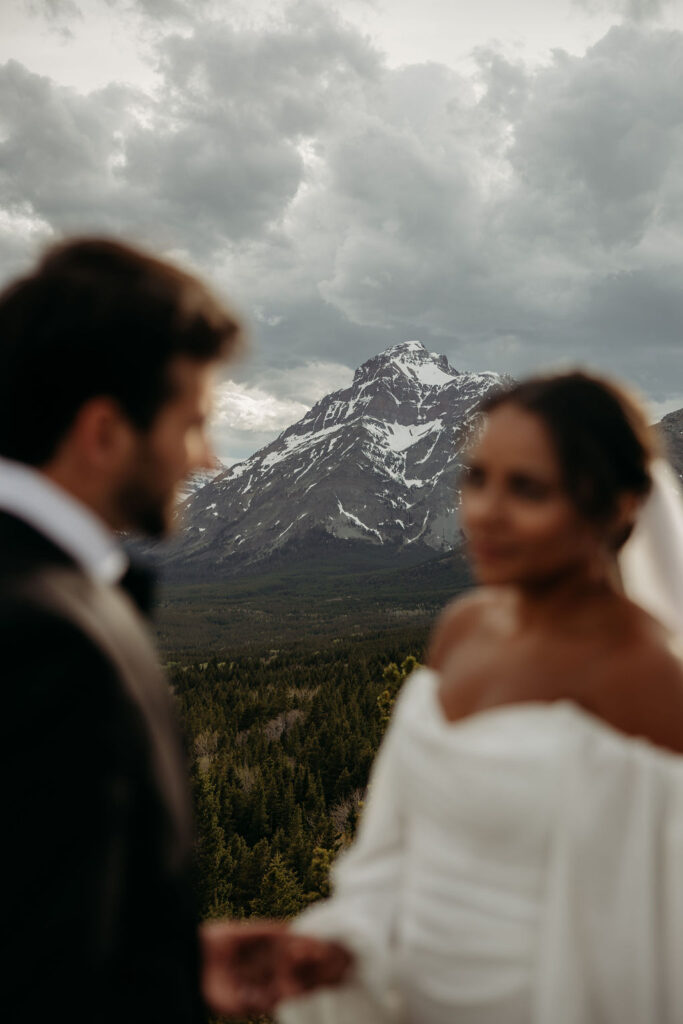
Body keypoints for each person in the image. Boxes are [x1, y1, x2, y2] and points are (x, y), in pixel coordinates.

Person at [0, 238, 350, 1023]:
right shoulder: (45, 636)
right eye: (192, 424)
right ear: (103, 432)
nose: (207, 460)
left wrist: (166, 962)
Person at [275, 371, 683, 1024]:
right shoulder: (461, 629)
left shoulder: (648, 681)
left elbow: (653, 944)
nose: (485, 512)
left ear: (617, 506)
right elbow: (390, 853)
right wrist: (337, 947)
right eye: (476, 478)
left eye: (526, 488)